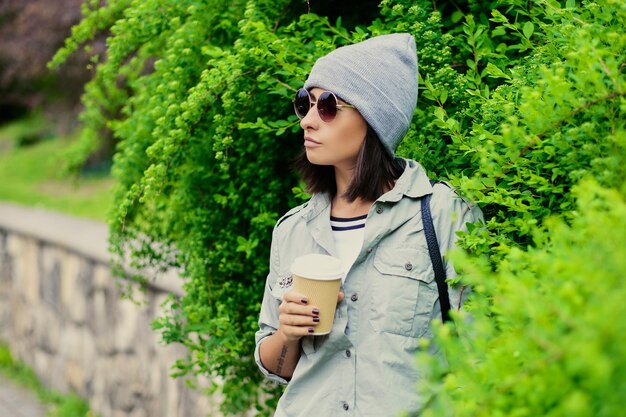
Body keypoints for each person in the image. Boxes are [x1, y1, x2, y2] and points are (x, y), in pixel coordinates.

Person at [254, 33, 483, 416]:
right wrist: (287, 333)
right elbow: (276, 365)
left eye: (327, 105)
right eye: (304, 103)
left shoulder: (444, 216)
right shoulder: (293, 229)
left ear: (374, 117)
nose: (307, 121)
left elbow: (478, 352)